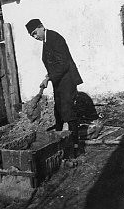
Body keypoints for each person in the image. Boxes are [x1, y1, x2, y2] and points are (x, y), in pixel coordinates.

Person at [25, 19, 83, 156]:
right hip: (59, 81)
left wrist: (49, 77)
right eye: (32, 35)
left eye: (35, 33)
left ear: (41, 27)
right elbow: (54, 63)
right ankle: (57, 143)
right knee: (58, 112)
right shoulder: (46, 41)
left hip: (67, 80)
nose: (35, 37)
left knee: (68, 112)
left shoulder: (54, 38)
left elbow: (63, 63)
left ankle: (75, 147)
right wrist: (48, 76)